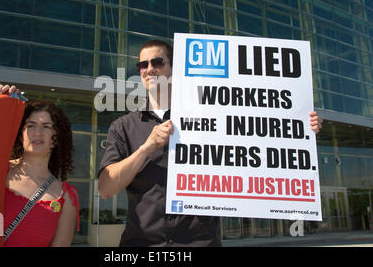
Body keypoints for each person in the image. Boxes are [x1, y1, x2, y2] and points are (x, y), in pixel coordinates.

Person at [98, 40, 323, 247]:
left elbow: (259, 140)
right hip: (142, 244)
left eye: (157, 62)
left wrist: (301, 126)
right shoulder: (123, 126)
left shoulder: (214, 118)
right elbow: (106, 188)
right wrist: (145, 148)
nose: (149, 69)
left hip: (200, 243)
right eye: (142, 65)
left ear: (174, 69)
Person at [0, 85, 79, 247]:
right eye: (31, 125)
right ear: (21, 133)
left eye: (46, 127)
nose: (37, 133)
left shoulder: (66, 196)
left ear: (57, 137)